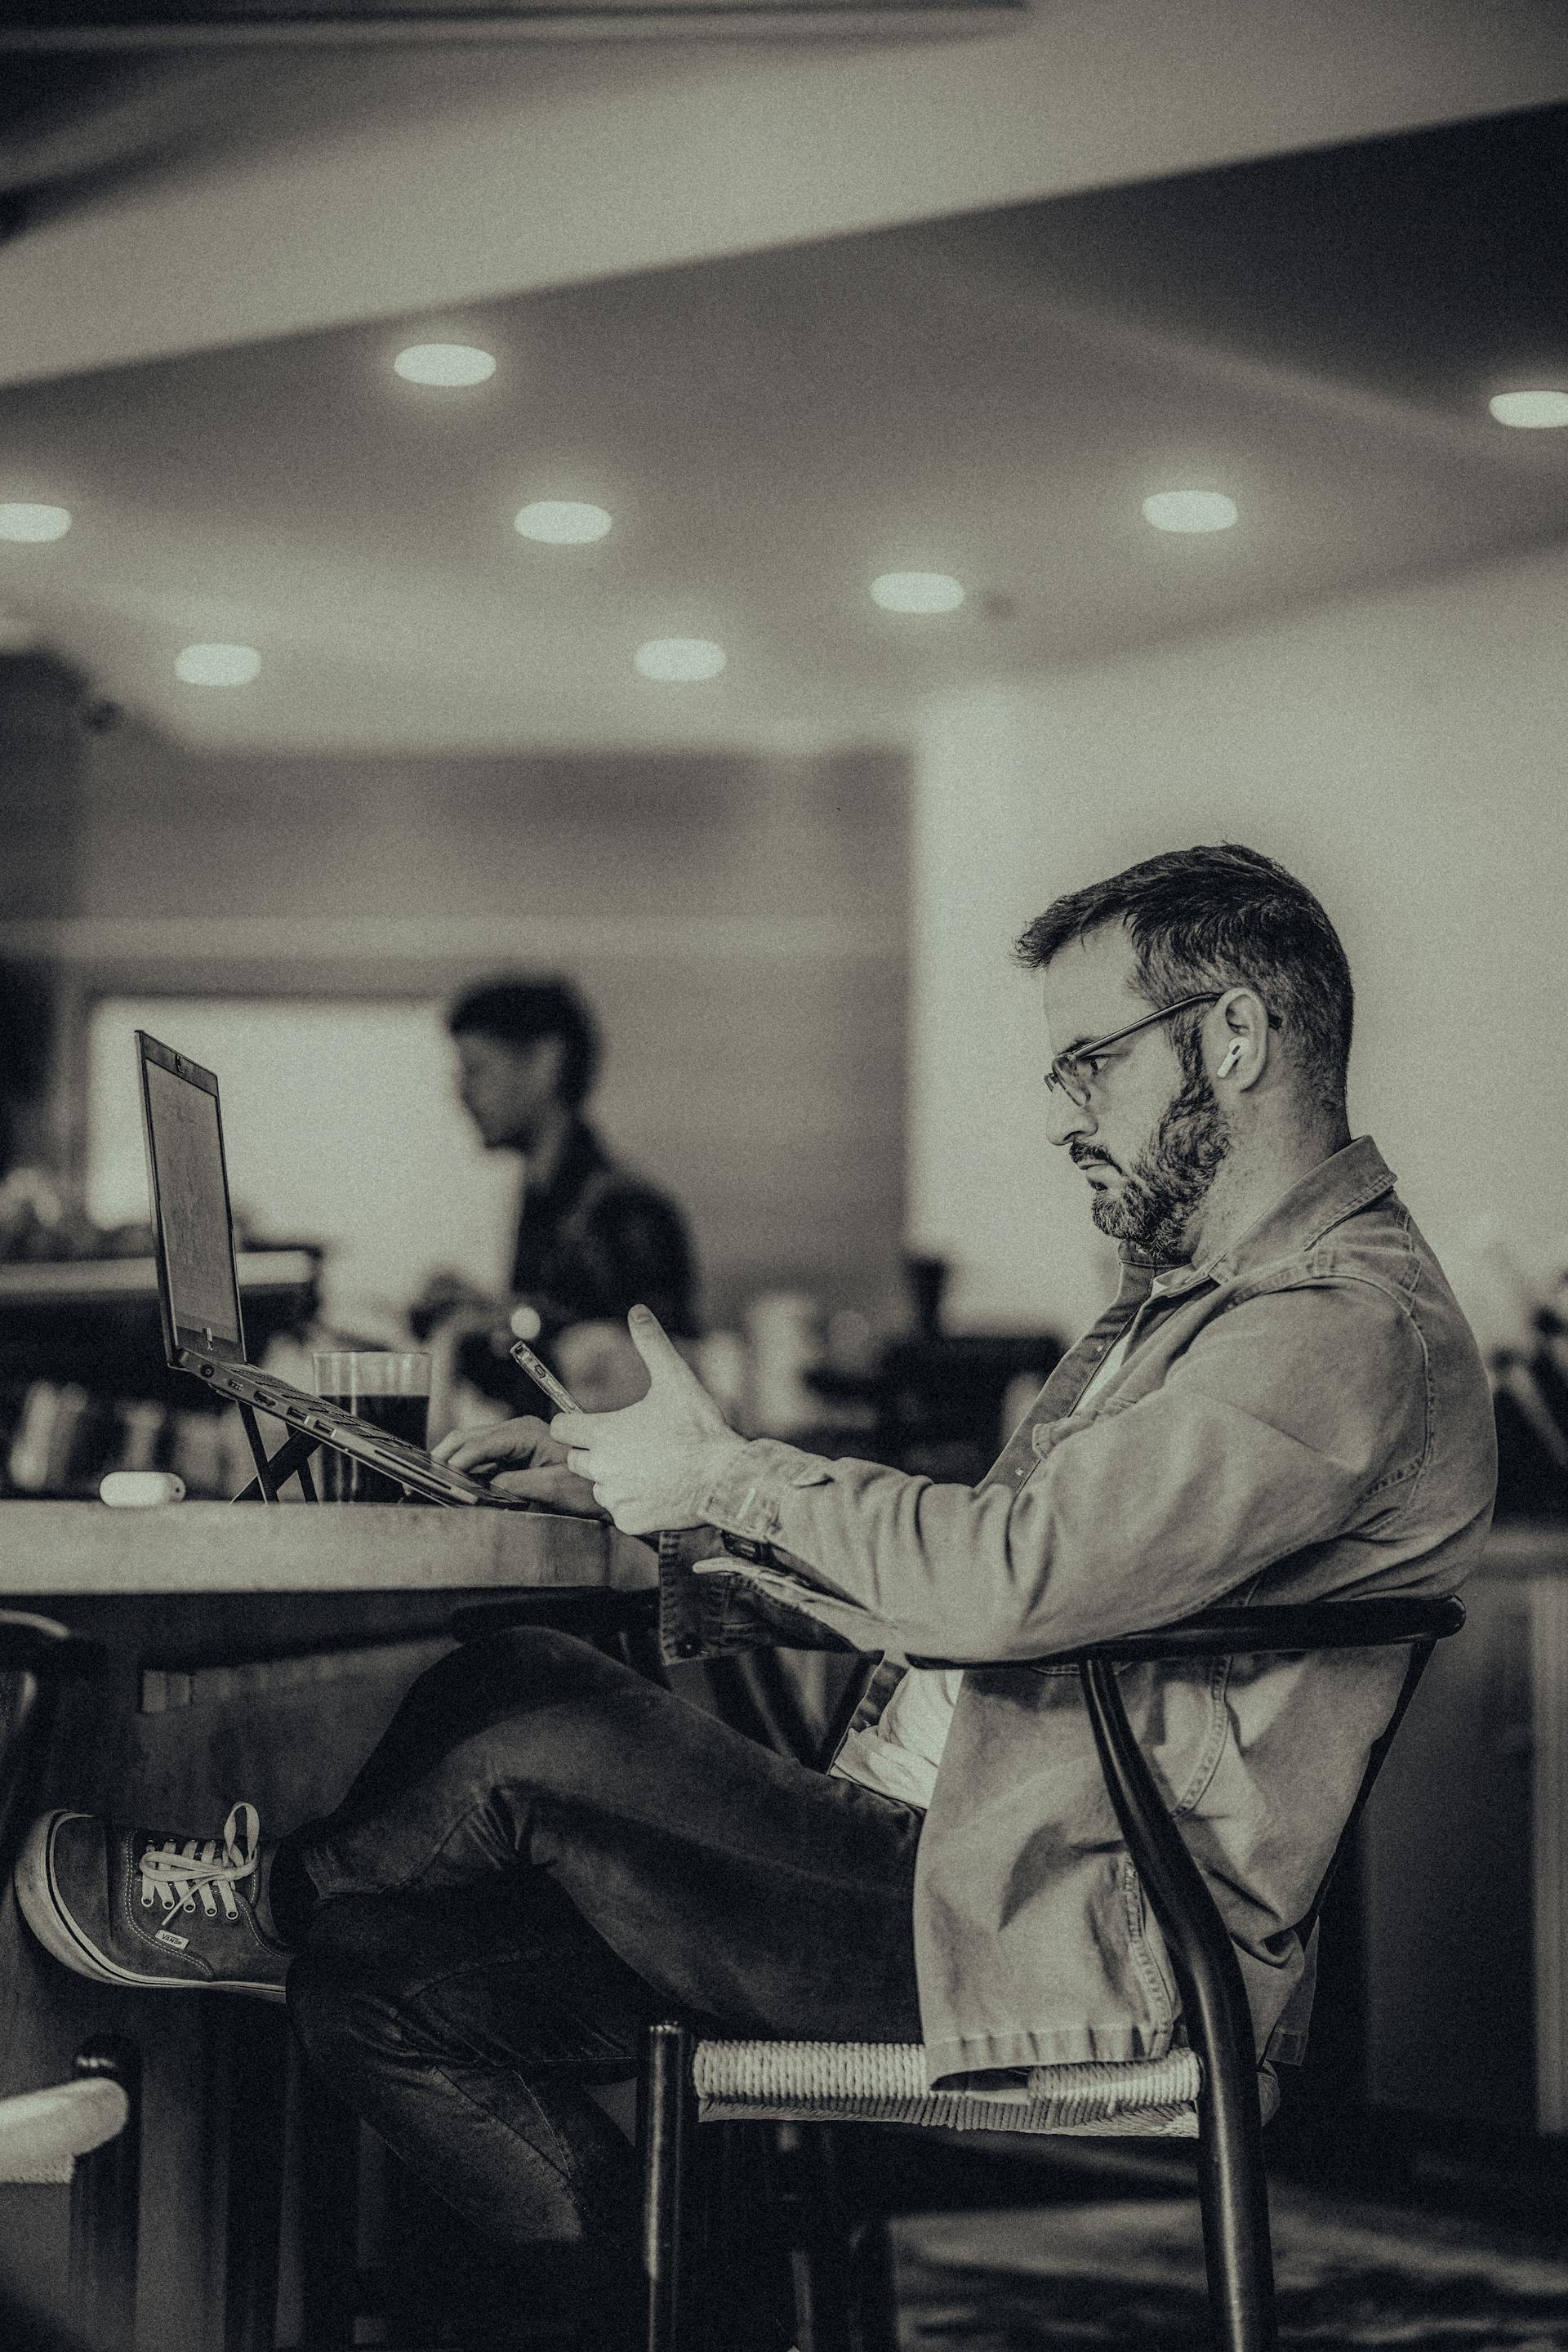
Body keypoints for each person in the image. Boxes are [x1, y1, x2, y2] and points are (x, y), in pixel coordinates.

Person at [16, 846, 1497, 2349]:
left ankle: (254, 1904)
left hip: (1043, 1922)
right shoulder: (1205, 1313)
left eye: (1090, 1067)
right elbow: (988, 1575)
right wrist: (655, 1505)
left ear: (1233, 1037)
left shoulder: (1330, 1326)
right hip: (954, 1873)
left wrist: (724, 1480)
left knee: (520, 1698)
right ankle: (672, 2294)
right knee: (375, 1982)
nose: (1065, 1117)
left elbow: (1004, 1580)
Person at [421, 974, 700, 1414]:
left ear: (546, 1063)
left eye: (477, 1070)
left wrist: (513, 1321)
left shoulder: (628, 1210)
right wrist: (481, 1317)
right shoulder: (542, 1197)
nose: (461, 1093)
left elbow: (659, 1380)